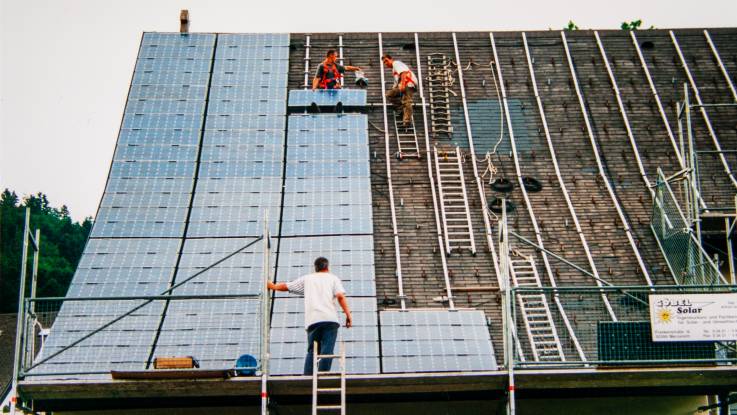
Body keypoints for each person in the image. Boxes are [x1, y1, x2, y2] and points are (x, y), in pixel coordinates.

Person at [267, 257, 352, 375]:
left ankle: (307, 377)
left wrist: (273, 286)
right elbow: (340, 296)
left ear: (315, 268)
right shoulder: (333, 278)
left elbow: (288, 286)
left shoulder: (308, 279)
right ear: (327, 267)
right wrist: (348, 314)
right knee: (327, 348)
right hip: (330, 319)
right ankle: (323, 375)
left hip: (313, 320)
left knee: (312, 350)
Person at [382, 53, 418, 125]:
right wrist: (393, 89)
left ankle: (407, 120)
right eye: (384, 62)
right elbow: (396, 82)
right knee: (389, 95)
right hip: (403, 84)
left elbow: (403, 73)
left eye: (386, 61)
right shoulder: (394, 70)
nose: (386, 63)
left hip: (408, 83)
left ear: (391, 59)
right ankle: (401, 109)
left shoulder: (396, 63)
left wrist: (403, 84)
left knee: (406, 101)